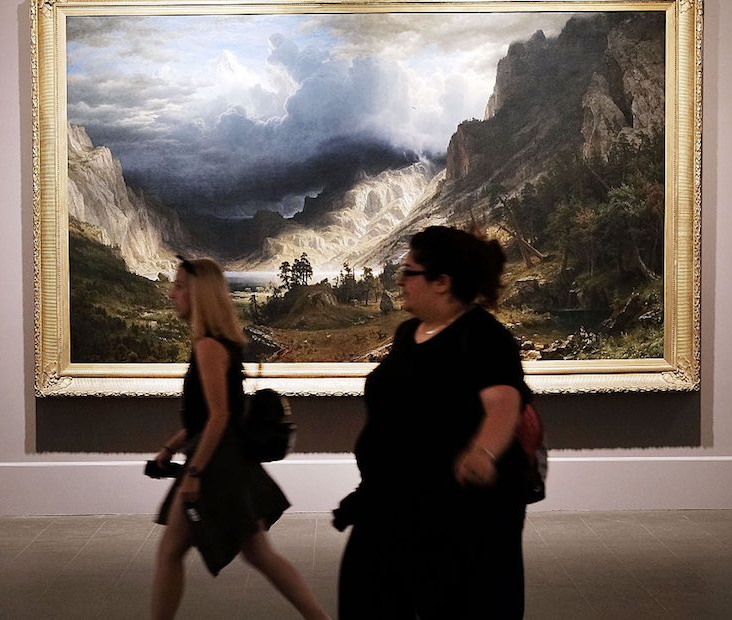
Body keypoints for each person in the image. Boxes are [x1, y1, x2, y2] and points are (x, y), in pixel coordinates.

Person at [335, 226, 532, 619]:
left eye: (410, 272)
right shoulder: (409, 333)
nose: (400, 281)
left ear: (442, 282)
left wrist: (482, 452)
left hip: (458, 516)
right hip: (393, 503)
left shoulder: (483, 337)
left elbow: (503, 402)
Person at [151, 257, 329, 620]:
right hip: (226, 461)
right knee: (258, 553)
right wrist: (170, 448)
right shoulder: (219, 344)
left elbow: (219, 417)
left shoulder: (208, 347)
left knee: (171, 552)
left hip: (217, 466)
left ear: (199, 294)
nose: (172, 294)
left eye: (179, 286)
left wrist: (194, 474)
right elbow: (209, 415)